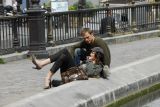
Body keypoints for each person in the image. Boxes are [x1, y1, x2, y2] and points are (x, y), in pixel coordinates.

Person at [32, 47, 104, 89]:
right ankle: (46, 73)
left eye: (92, 53)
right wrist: (88, 61)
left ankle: (44, 69)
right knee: (63, 55)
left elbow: (89, 72)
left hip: (74, 77)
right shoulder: (89, 61)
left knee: (65, 53)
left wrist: (89, 61)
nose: (90, 54)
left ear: (97, 55)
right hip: (72, 74)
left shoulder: (99, 66)